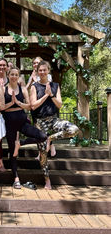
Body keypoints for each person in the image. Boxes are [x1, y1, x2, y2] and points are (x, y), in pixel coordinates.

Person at [30, 60, 79, 189]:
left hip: (54, 120)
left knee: (74, 129)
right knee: (43, 154)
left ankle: (50, 139)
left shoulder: (55, 86)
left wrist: (51, 95)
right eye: (40, 70)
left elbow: (59, 104)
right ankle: (47, 181)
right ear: (37, 71)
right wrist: (45, 96)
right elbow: (33, 106)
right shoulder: (34, 87)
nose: (42, 72)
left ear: (48, 70)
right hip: (40, 122)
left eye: (44, 70)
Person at [2, 67, 47, 189]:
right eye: (12, 74)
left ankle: (20, 143)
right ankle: (16, 178)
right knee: (13, 153)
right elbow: (1, 107)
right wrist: (11, 103)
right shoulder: (3, 89)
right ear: (8, 75)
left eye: (16, 74)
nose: (14, 76)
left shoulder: (23, 89)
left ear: (18, 76)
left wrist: (19, 103)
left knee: (42, 136)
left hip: (22, 122)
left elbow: (29, 106)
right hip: (9, 124)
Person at [27, 57, 56, 160]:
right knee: (38, 131)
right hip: (35, 105)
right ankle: (41, 152)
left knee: (47, 131)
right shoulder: (32, 75)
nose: (35, 64)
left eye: (37, 63)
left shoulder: (47, 75)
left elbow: (48, 88)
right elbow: (27, 88)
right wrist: (32, 82)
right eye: (34, 63)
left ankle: (50, 146)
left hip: (44, 106)